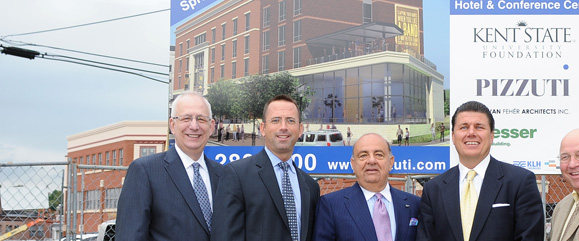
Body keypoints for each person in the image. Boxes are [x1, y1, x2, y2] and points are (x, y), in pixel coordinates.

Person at [417, 101, 544, 241]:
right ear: (453, 137)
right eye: (464, 127)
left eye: (479, 127)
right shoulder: (434, 189)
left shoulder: (520, 182)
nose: (471, 133)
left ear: (491, 136)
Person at [115, 91, 223, 241]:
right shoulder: (145, 171)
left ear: (211, 126)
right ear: (172, 125)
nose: (194, 126)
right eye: (186, 118)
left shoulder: (224, 174)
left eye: (201, 119)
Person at [211, 94, 321, 241]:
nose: (283, 127)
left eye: (290, 120)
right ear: (263, 128)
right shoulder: (236, 175)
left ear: (300, 129)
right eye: (276, 120)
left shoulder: (311, 186)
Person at [313, 133, 420, 241]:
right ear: (353, 164)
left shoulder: (415, 204)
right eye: (363, 155)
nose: (372, 161)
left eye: (379, 154)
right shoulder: (331, 206)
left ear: (391, 162)